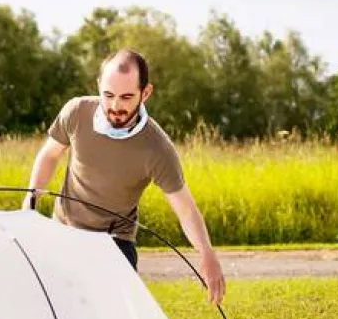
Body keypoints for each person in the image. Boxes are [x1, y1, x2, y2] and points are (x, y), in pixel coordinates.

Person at [24, 49, 226, 305]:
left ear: (146, 93)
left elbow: (186, 210)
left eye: (126, 97)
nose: (116, 106)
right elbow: (49, 155)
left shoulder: (157, 148)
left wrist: (207, 254)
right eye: (108, 95)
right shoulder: (77, 112)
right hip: (64, 230)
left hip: (115, 242)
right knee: (51, 311)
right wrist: (30, 200)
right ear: (98, 87)